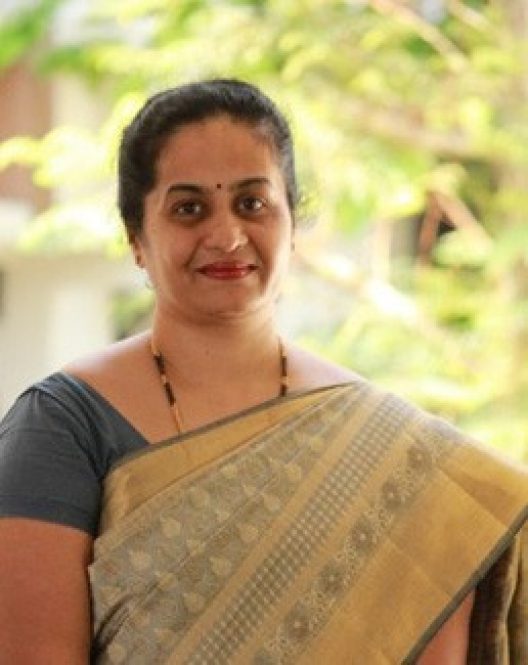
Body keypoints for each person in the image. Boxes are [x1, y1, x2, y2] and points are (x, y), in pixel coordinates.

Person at [0, 79, 526, 665]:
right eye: (189, 208)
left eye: (252, 203)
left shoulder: (395, 454)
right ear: (136, 239)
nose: (226, 236)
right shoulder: (63, 425)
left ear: (292, 225)